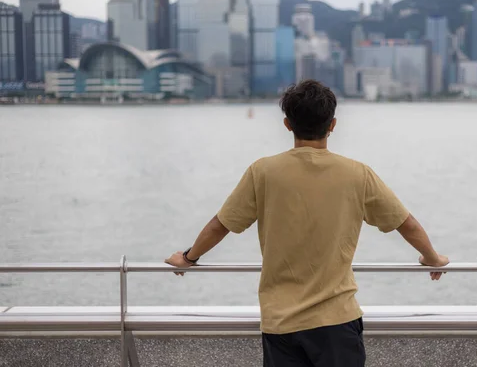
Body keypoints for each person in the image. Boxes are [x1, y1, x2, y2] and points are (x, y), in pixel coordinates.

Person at [165, 79, 449, 367]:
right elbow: (406, 223)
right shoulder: (358, 174)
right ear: (333, 124)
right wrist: (432, 258)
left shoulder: (263, 171)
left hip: (281, 323)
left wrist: (189, 258)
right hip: (338, 320)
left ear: (287, 124)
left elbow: (220, 224)